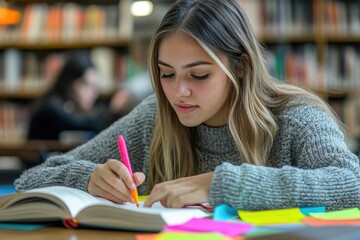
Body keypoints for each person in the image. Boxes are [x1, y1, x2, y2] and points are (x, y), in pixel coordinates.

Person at [15, 0, 360, 211]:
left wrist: (220, 184)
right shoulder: (155, 117)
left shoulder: (296, 118)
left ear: (239, 68)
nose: (179, 92)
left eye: (198, 75)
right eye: (166, 74)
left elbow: (352, 184)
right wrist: (89, 179)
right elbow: (31, 180)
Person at [27, 51, 105, 141]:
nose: (94, 93)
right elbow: (80, 125)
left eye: (95, 86)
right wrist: (113, 111)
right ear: (69, 83)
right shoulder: (50, 107)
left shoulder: (73, 109)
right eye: (86, 85)